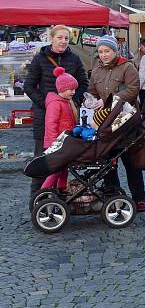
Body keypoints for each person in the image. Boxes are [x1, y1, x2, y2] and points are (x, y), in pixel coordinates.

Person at [24, 25, 89, 198]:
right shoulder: (39, 59)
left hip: (66, 119)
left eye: (66, 38)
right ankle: (37, 201)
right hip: (44, 117)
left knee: (63, 162)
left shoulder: (74, 59)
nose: (63, 41)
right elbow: (28, 86)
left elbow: (84, 83)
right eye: (59, 37)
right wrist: (46, 103)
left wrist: (71, 101)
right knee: (42, 160)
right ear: (51, 38)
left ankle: (59, 201)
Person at [87, 35, 145, 211]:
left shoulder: (127, 67)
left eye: (107, 51)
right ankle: (112, 195)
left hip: (126, 122)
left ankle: (139, 198)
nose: (104, 54)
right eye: (101, 51)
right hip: (106, 124)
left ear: (114, 51)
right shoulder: (96, 71)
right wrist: (89, 101)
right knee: (108, 164)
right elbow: (92, 92)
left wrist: (110, 100)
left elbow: (133, 90)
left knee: (131, 163)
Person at [40, 67, 79, 190]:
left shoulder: (66, 102)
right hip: (56, 144)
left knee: (63, 170)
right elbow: (51, 124)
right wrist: (54, 144)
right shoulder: (55, 104)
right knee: (56, 171)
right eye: (70, 89)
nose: (73, 92)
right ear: (61, 89)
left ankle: (62, 190)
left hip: (64, 142)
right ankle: (43, 192)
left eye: (74, 89)